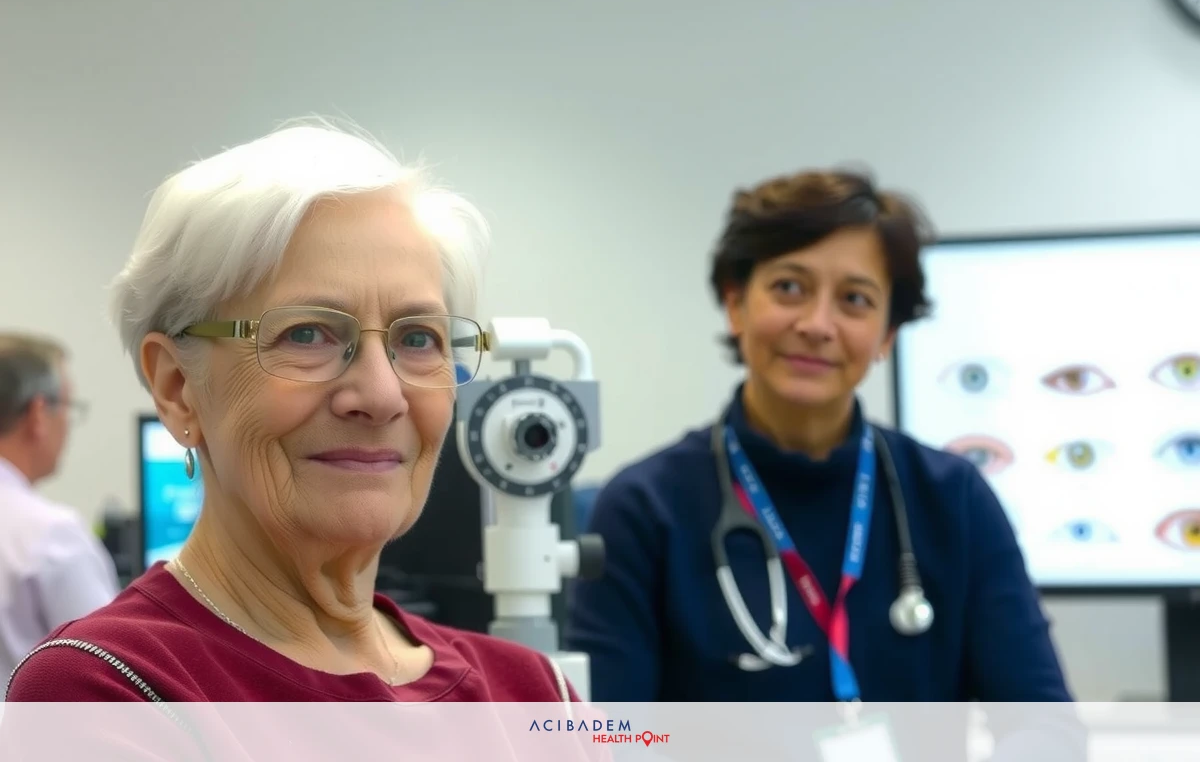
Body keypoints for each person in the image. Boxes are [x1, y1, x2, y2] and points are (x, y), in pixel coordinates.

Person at [4, 121, 578, 707]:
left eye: (418, 338)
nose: (381, 396)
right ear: (178, 387)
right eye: (307, 334)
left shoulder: (535, 693)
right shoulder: (105, 692)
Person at [564, 169, 1081, 754]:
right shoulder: (645, 509)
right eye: (789, 287)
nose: (816, 325)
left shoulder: (951, 497)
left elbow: (1044, 724)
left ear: (888, 333)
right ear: (736, 304)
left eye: (855, 300)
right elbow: (603, 739)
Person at [0, 333, 119, 682]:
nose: (68, 424)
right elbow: (113, 672)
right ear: (38, 414)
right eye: (68, 407)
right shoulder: (50, 537)